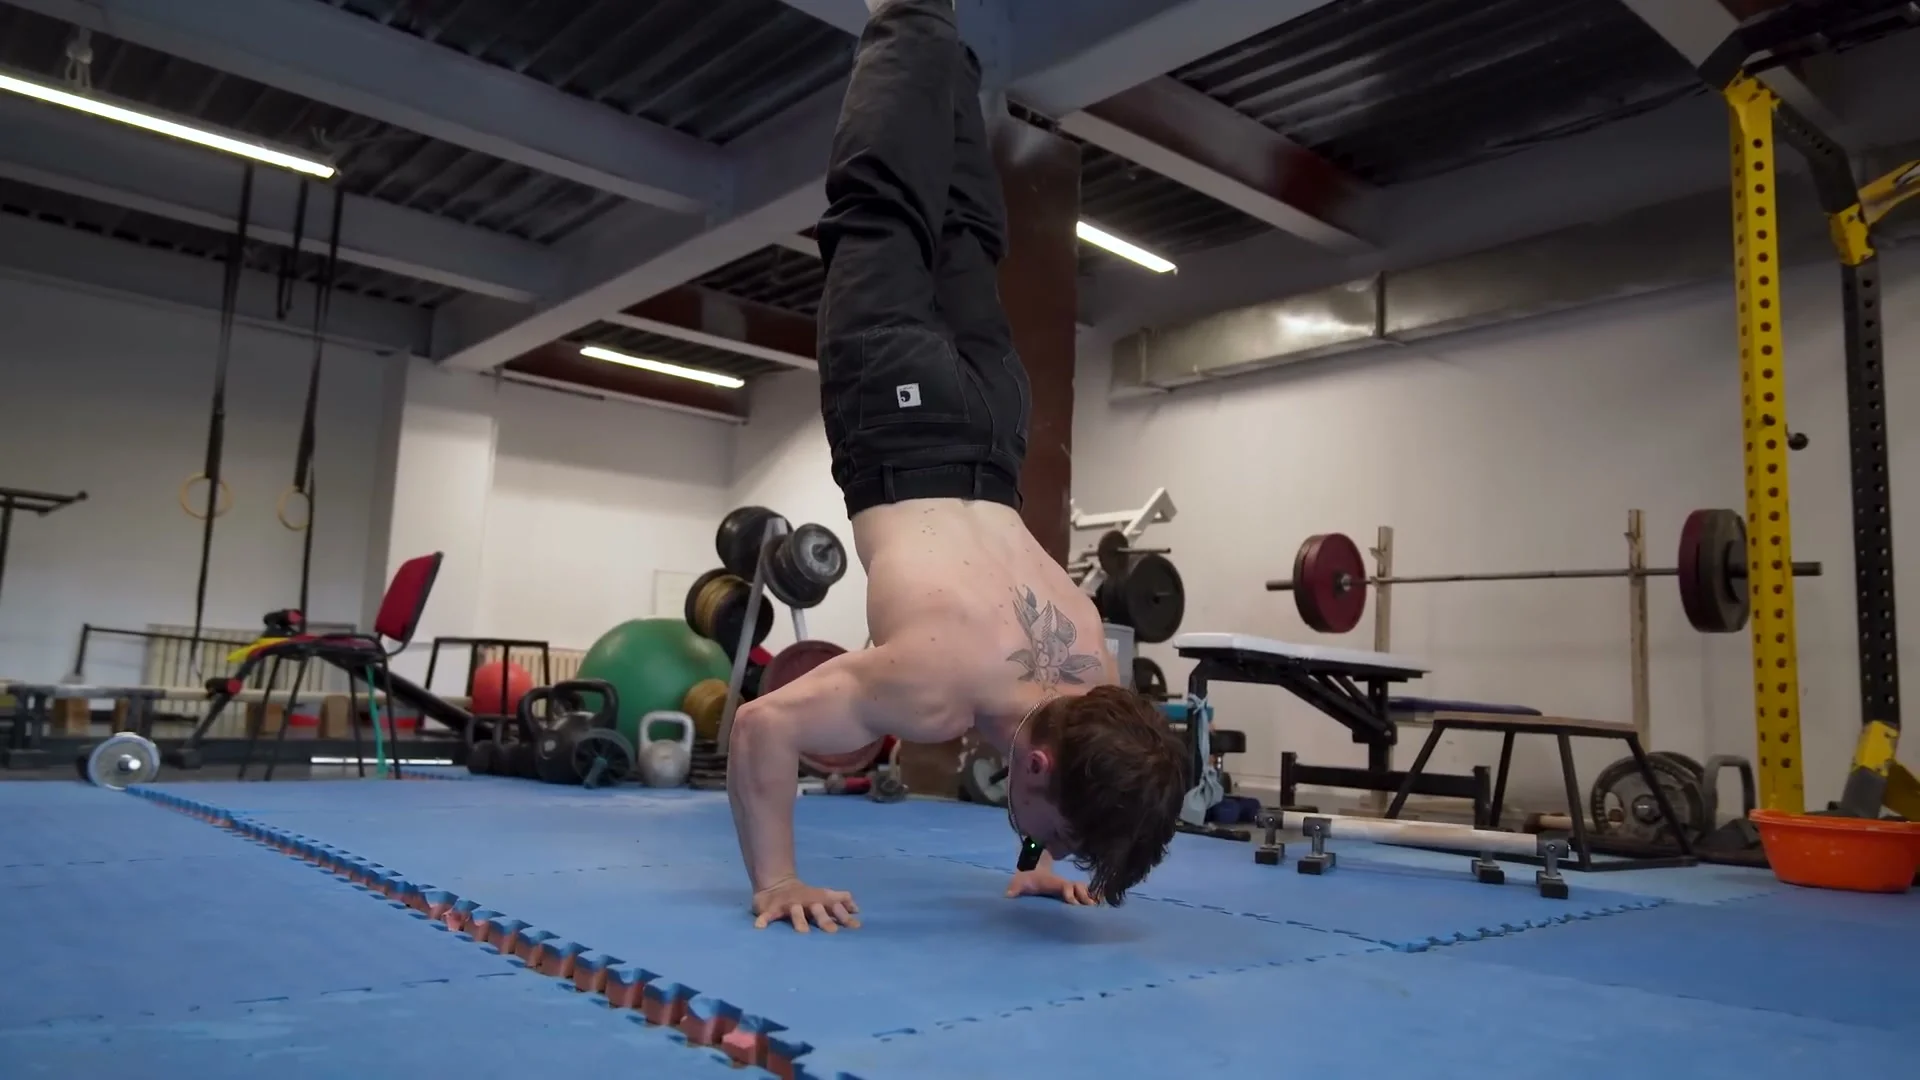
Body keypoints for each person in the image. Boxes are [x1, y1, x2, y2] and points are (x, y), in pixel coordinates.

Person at [725, 0, 1189, 934]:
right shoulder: (935, 692)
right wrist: (778, 880)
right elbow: (757, 726)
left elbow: (1041, 759)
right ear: (1043, 769)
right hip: (900, 420)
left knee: (967, 239)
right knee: (882, 209)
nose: (1050, 848)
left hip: (996, 421)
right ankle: (906, 18)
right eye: (1057, 840)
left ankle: (951, 56)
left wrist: (1030, 863)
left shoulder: (1096, 675)